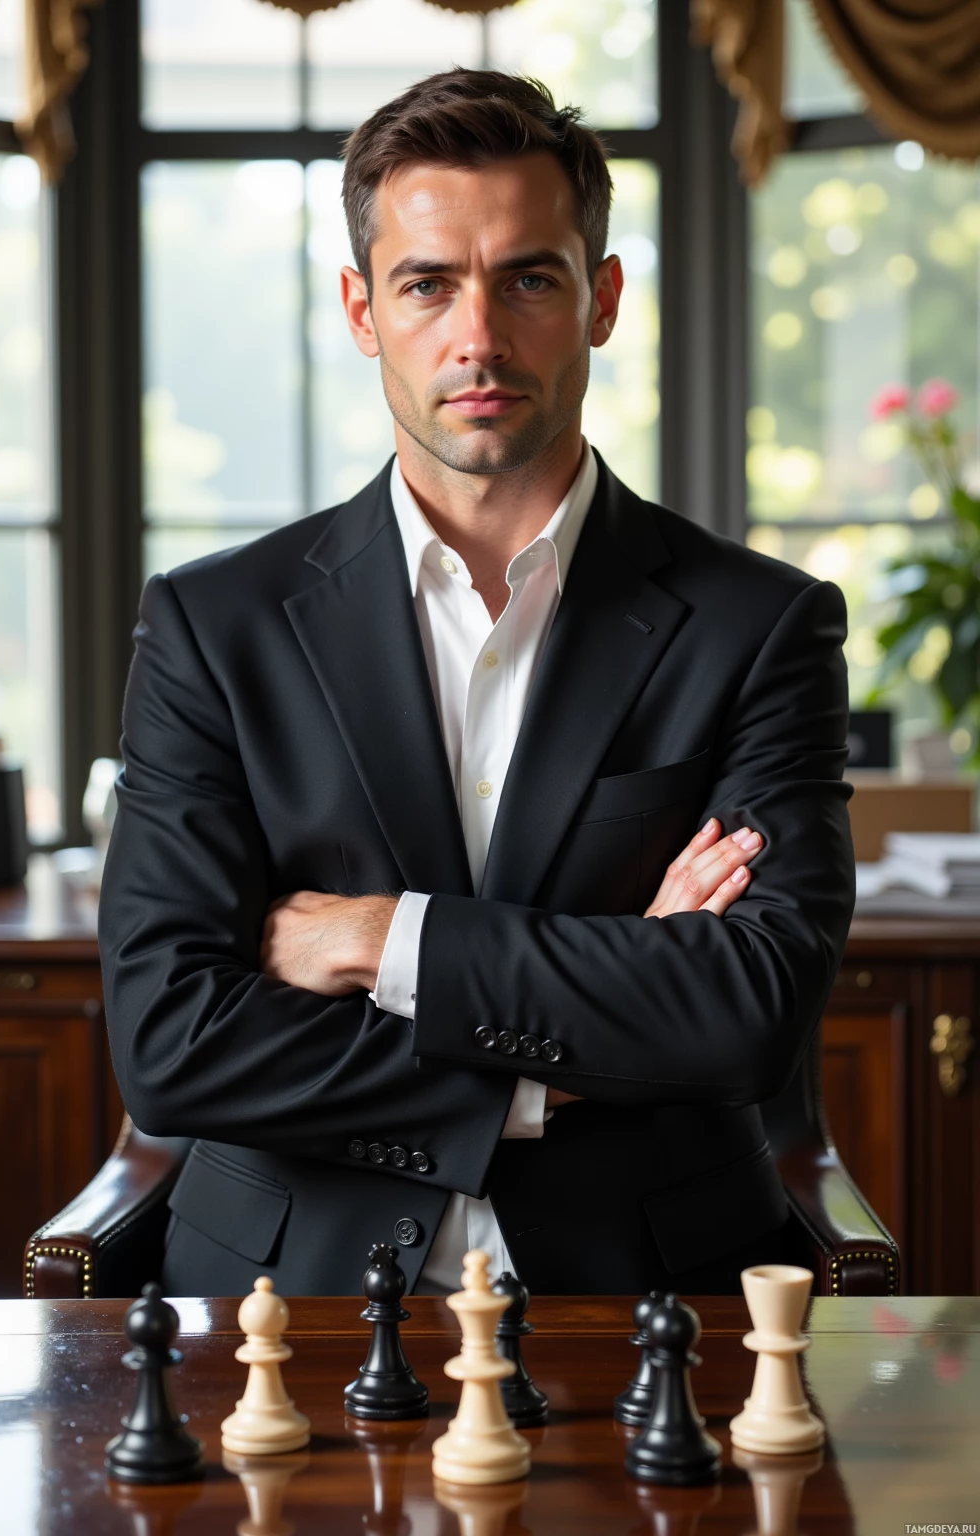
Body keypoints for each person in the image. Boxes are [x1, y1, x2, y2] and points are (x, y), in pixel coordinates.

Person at [98, 68, 855, 1298]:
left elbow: (748, 1009)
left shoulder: (760, 625)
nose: (478, 336)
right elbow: (174, 1047)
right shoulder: (210, 626)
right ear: (361, 309)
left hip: (647, 1299)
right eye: (427, 283)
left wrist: (375, 938)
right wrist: (558, 1050)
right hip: (288, 1310)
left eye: (529, 279)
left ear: (601, 299)